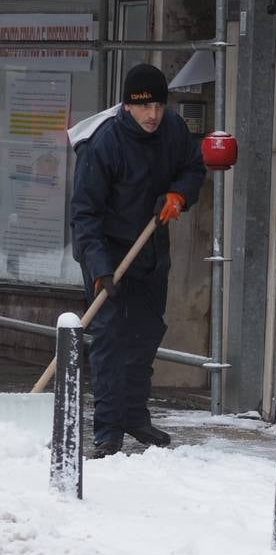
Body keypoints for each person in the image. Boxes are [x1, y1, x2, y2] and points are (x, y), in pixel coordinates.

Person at [71, 63, 205, 458]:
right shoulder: (104, 144)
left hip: (150, 248)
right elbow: (85, 214)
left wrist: (179, 195)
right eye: (144, 107)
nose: (152, 116)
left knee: (145, 333)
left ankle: (134, 416)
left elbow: (192, 168)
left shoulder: (174, 131)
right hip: (107, 251)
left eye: (159, 107)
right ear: (128, 106)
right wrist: (98, 269)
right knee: (111, 339)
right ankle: (108, 429)